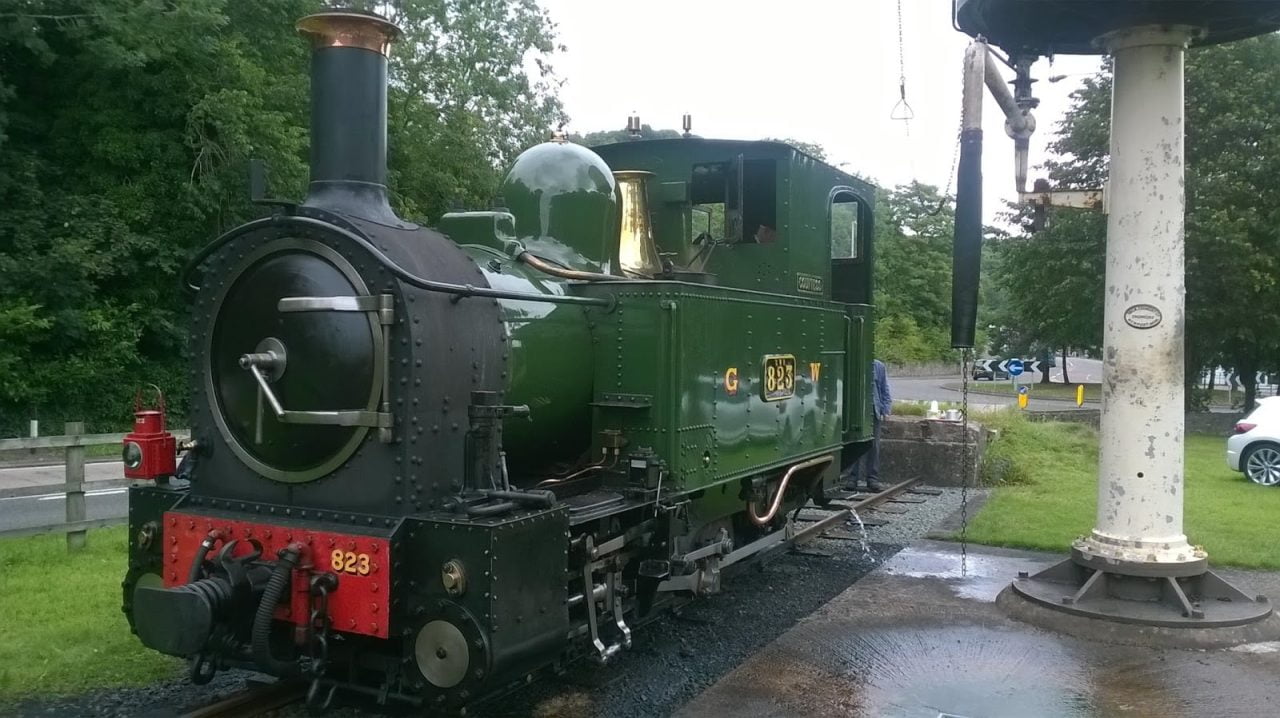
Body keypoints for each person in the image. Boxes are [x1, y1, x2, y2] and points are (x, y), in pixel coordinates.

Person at [847, 359, 890, 492]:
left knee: (874, 446)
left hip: (873, 410)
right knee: (854, 444)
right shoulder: (852, 364)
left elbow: (884, 388)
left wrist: (886, 409)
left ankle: (872, 479)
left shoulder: (879, 366)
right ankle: (852, 478)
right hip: (856, 412)